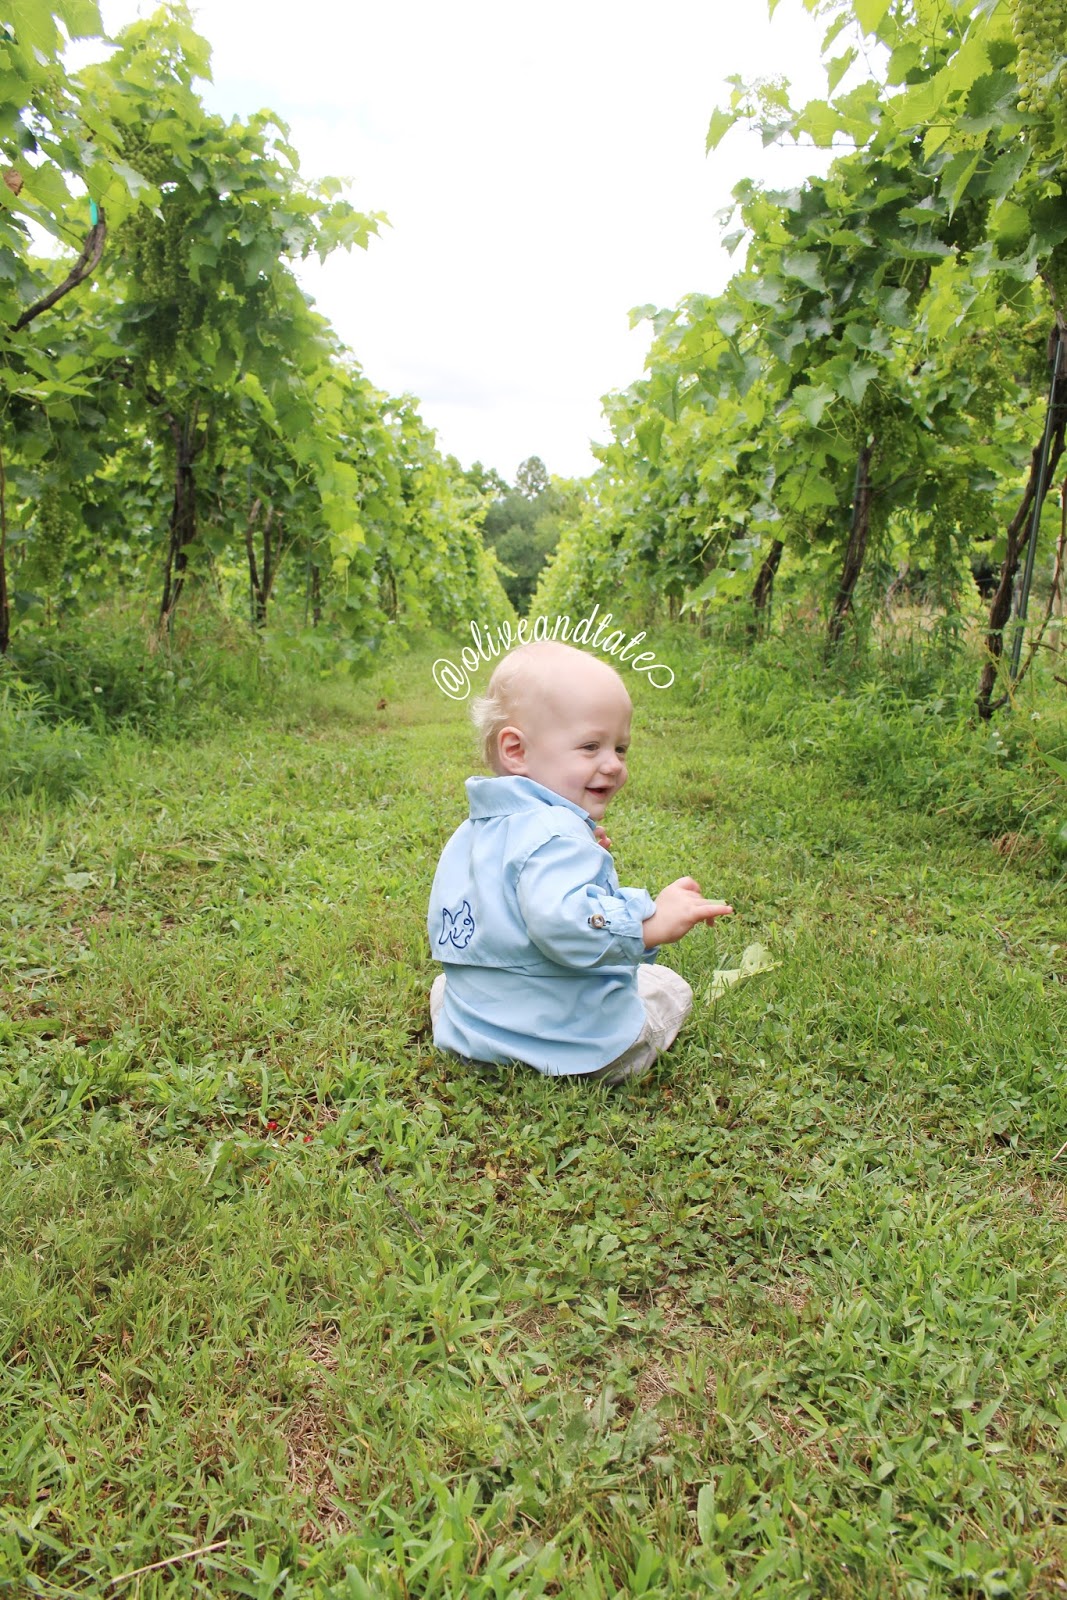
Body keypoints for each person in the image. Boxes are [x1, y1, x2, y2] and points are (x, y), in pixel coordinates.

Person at [427, 640, 733, 1083]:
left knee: (444, 989)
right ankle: (590, 1054)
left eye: (621, 749)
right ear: (517, 750)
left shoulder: (474, 831)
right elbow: (563, 925)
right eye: (591, 746)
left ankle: (483, 1037)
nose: (613, 765)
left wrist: (583, 853)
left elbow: (506, 909)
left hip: (470, 1039)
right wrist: (650, 922)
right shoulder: (554, 836)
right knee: (666, 986)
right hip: (575, 1052)